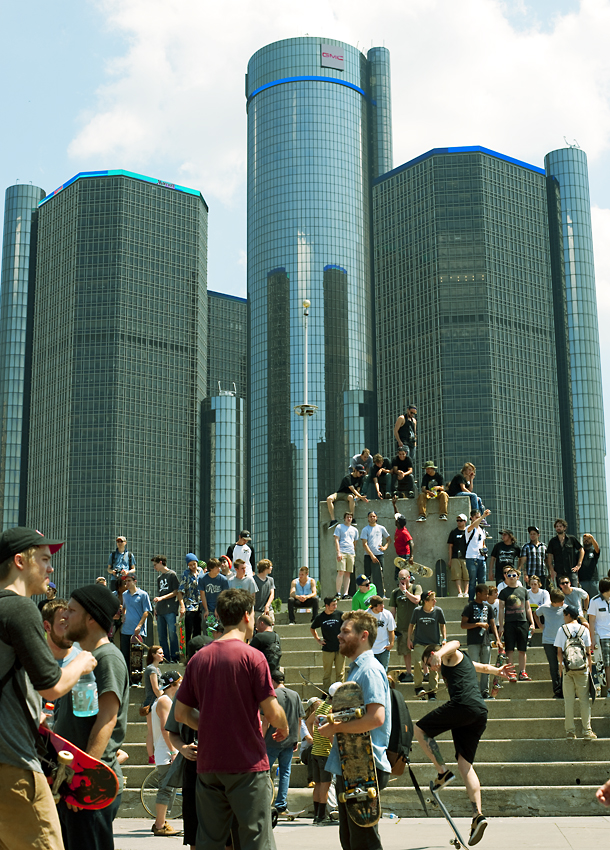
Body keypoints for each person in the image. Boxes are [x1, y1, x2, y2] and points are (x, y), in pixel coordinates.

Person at [0, 528, 98, 850]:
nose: (50, 568)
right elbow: (53, 686)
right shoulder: (20, 608)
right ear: (19, 561)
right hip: (12, 765)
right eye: (44, 559)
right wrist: (81, 663)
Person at [175, 588, 289, 850]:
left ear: (218, 615)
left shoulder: (198, 659)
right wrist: (283, 725)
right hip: (246, 764)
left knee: (209, 841)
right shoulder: (253, 657)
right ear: (248, 616)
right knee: (255, 839)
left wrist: (209, 725)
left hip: (209, 765)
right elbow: (272, 712)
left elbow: (181, 713)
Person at [414, 641, 514, 846]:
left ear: (432, 654)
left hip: (463, 705)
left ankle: (442, 772)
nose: (431, 667)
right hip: (478, 713)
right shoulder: (465, 660)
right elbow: (483, 668)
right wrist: (498, 671)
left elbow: (455, 643)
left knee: (420, 729)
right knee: (465, 763)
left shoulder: (450, 655)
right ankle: (478, 815)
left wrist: (439, 653)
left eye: (428, 662)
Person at [57, 583, 129, 850]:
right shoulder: (84, 658)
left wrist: (81, 783)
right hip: (76, 780)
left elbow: (107, 720)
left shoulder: (107, 657)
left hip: (91, 784)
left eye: (72, 610)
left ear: (91, 618)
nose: (64, 615)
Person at [318, 610, 392, 850]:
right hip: (352, 766)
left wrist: (336, 727)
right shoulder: (357, 669)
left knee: (364, 843)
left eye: (345, 631)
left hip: (363, 768)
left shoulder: (369, 669)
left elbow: (376, 718)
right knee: (351, 841)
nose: (339, 635)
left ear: (364, 636)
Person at [263, 670, 304, 814]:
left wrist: (261, 738)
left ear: (272, 680)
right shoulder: (296, 695)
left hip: (271, 740)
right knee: (285, 772)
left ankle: (264, 801)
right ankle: (281, 804)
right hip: (289, 740)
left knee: (264, 772)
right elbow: (299, 720)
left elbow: (266, 720)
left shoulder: (271, 695)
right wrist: (296, 740)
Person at [554, 605, 596, 740]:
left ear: (568, 615)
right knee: (584, 700)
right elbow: (588, 652)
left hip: (568, 669)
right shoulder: (584, 629)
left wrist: (561, 668)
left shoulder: (562, 629)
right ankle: (587, 731)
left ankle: (570, 731)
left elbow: (559, 652)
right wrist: (588, 669)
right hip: (582, 669)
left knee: (569, 701)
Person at [149, 670, 183, 836]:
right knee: (166, 789)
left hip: (164, 751)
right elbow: (165, 728)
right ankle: (160, 824)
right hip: (166, 752)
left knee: (167, 788)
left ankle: (161, 822)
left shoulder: (162, 700)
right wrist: (173, 750)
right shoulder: (164, 701)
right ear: (173, 684)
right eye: (180, 682)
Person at [460, 584, 502, 699]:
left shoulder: (487, 607)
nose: (487, 596)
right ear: (478, 594)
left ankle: (484, 691)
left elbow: (493, 624)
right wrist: (477, 624)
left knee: (486, 666)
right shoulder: (469, 607)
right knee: (473, 666)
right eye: (485, 593)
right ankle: (473, 691)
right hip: (473, 641)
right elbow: (463, 625)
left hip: (486, 641)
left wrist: (497, 639)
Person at [498, 567, 535, 681]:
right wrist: (501, 625)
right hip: (509, 623)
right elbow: (501, 609)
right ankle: (511, 672)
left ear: (518, 577)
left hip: (522, 622)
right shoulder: (504, 592)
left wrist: (532, 623)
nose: (511, 578)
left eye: (514, 575)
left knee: (522, 649)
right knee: (509, 649)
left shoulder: (523, 590)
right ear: (506, 577)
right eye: (509, 576)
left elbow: (528, 607)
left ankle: (522, 672)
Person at [408, 590, 447, 698]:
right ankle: (418, 687)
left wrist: (444, 638)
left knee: (434, 666)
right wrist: (409, 639)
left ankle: (432, 691)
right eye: (432, 600)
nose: (435, 601)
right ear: (425, 601)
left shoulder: (438, 611)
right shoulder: (417, 611)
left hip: (433, 643)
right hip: (419, 642)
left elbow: (442, 625)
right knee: (418, 663)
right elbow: (411, 625)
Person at [306, 688, 336, 825]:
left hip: (315, 751)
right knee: (325, 785)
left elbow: (308, 722)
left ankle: (317, 816)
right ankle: (322, 816)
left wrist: (314, 738)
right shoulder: (330, 710)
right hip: (325, 752)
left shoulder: (321, 706)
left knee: (317, 785)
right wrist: (333, 746)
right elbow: (330, 733)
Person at [389, 568, 422, 683]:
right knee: (405, 652)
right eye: (399, 578)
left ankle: (425, 672)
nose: (401, 581)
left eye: (403, 578)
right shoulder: (395, 593)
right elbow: (393, 611)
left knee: (420, 651)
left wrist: (405, 592)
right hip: (402, 627)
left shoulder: (415, 588)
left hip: (417, 627)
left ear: (408, 578)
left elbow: (417, 600)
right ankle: (409, 673)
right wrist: (390, 626)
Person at [533, 589, 566, 699]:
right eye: (560, 601)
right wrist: (540, 626)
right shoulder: (545, 608)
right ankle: (557, 690)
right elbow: (536, 614)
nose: (562, 603)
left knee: (564, 665)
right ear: (554, 602)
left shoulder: (565, 608)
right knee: (553, 666)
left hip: (563, 641)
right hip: (548, 640)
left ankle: (565, 688)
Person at [120, 573, 152, 680]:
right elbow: (124, 607)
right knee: (125, 656)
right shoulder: (124, 594)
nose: (127, 583)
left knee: (137, 658)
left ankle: (137, 680)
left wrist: (139, 626)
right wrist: (123, 615)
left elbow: (146, 612)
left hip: (138, 632)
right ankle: (127, 679)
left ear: (135, 581)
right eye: (126, 581)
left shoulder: (143, 595)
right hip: (126, 630)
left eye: (129, 581)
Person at [310, 596, 345, 692]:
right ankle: (326, 692)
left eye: (336, 604)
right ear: (326, 605)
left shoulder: (340, 614)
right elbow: (312, 628)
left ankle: (340, 692)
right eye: (333, 605)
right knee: (327, 673)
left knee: (340, 673)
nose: (335, 607)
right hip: (327, 648)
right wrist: (318, 640)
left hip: (340, 648)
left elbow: (347, 626)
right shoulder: (320, 617)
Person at [152, 555, 181, 664]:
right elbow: (159, 593)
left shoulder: (172, 575)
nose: (154, 567)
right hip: (160, 610)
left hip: (170, 609)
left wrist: (162, 598)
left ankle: (175, 657)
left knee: (172, 633)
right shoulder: (159, 578)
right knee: (161, 635)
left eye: (155, 565)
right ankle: (165, 658)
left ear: (161, 562)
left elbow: (176, 591)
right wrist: (156, 607)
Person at [587, 576, 610, 700]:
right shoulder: (595, 601)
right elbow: (591, 621)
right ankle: (608, 689)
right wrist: (592, 639)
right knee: (606, 664)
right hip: (603, 636)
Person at [361, 510, 390, 597]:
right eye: (370, 516)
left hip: (379, 555)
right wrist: (372, 555)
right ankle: (367, 595)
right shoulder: (365, 529)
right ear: (368, 518)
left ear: (376, 518)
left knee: (380, 576)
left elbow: (388, 539)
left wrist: (384, 547)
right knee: (367, 576)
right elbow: (364, 544)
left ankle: (381, 595)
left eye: (374, 516)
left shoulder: (381, 528)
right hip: (368, 556)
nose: (372, 518)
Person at [546, 518, 583, 588]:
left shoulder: (572, 539)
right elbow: (549, 556)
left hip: (571, 570)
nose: (558, 528)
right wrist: (552, 570)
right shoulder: (553, 541)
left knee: (574, 590)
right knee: (561, 592)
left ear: (564, 527)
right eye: (557, 526)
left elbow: (581, 550)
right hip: (559, 571)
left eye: (560, 526)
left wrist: (579, 564)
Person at [143, 645, 164, 764]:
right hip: (151, 703)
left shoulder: (157, 669)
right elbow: (156, 689)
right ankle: (151, 756)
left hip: (155, 703)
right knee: (151, 731)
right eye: (160, 653)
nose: (162, 655)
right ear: (153, 654)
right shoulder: (152, 669)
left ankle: (154, 755)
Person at [465, 509, 491, 601]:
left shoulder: (482, 530)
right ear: (471, 518)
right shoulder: (469, 528)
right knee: (472, 581)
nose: (478, 519)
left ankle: (482, 600)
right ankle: (471, 601)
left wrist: (484, 550)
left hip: (481, 558)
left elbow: (482, 543)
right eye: (476, 517)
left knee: (482, 582)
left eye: (479, 517)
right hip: (471, 558)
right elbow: (473, 525)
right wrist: (483, 516)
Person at [178, 555, 204, 643]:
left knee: (198, 629)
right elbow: (180, 591)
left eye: (194, 564)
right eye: (190, 565)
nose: (193, 567)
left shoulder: (201, 571)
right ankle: (188, 652)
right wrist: (182, 606)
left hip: (200, 604)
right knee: (189, 630)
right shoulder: (185, 574)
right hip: (190, 605)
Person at [334, 513, 359, 600]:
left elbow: (355, 542)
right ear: (344, 518)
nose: (349, 519)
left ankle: (345, 593)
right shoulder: (339, 527)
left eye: (350, 517)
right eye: (347, 517)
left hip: (351, 552)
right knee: (341, 571)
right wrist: (338, 552)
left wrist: (353, 552)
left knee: (348, 573)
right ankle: (338, 592)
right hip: (342, 552)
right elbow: (336, 540)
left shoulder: (355, 530)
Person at [367, 596, 395, 670]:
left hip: (384, 648)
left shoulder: (387, 614)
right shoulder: (366, 615)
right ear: (374, 607)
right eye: (380, 605)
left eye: (382, 604)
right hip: (370, 649)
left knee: (383, 671)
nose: (383, 607)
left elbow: (391, 630)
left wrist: (391, 643)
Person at [447, 513, 469, 598]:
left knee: (467, 576)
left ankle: (466, 592)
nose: (459, 522)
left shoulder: (468, 532)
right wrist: (450, 559)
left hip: (466, 557)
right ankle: (460, 592)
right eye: (457, 520)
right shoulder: (453, 532)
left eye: (460, 520)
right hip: (455, 556)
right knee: (457, 575)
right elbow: (450, 546)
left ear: (465, 521)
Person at [579, 534, 601, 600]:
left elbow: (597, 549)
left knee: (595, 599)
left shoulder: (593, 551)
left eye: (588, 539)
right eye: (585, 539)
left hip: (593, 580)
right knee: (584, 601)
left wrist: (592, 538)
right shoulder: (579, 553)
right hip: (582, 580)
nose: (586, 541)